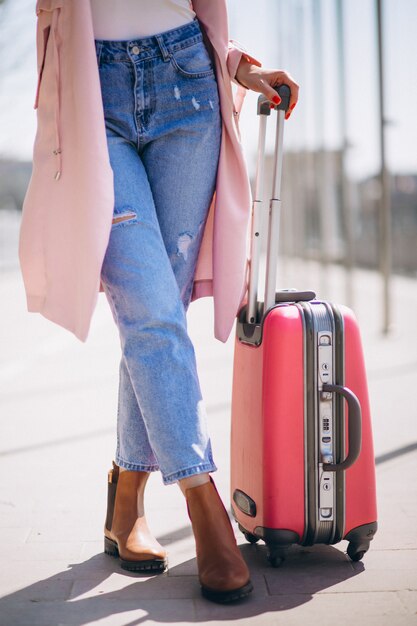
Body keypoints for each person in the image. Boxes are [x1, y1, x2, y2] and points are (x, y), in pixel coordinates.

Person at [19, 0, 298, 605]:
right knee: (149, 309)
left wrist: (237, 66)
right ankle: (204, 502)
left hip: (188, 88)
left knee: (158, 315)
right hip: (95, 98)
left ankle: (125, 501)